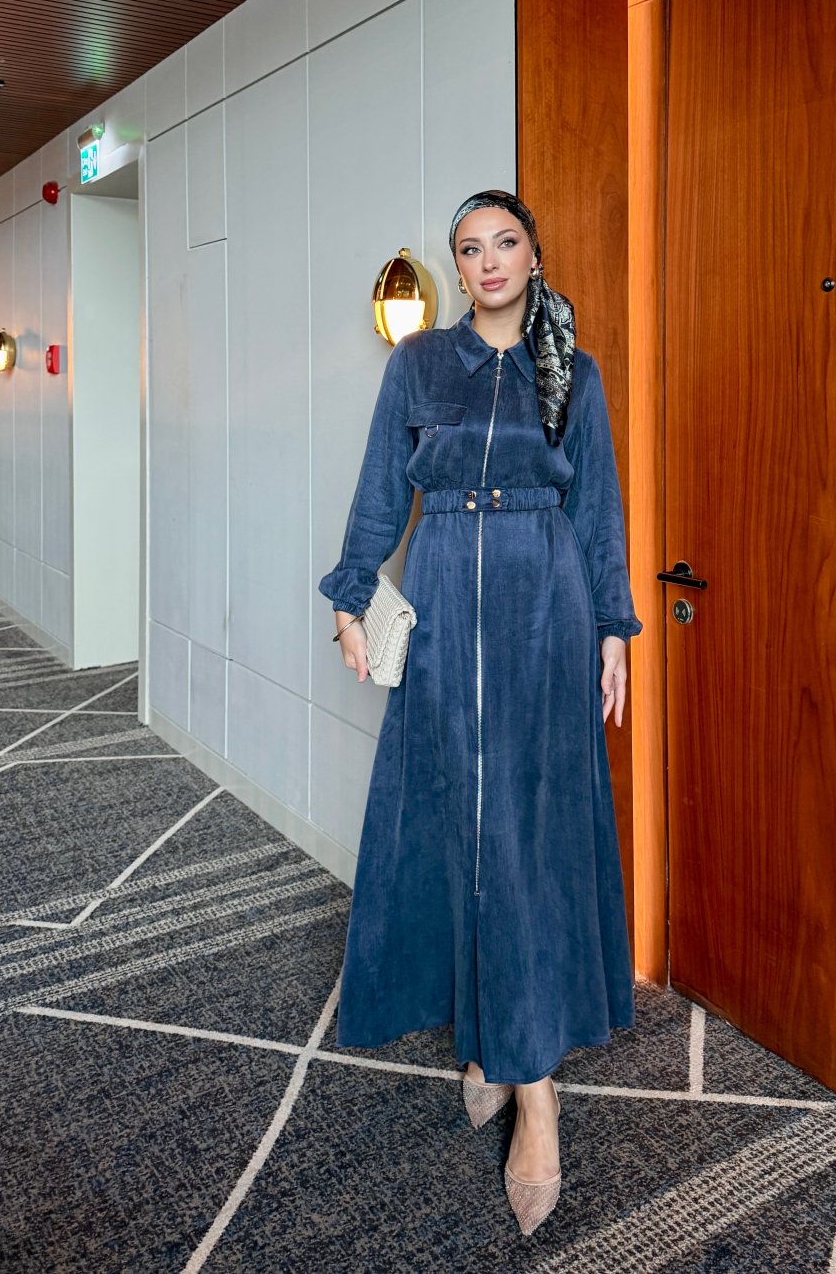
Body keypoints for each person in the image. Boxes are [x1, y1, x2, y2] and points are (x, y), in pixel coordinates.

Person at [318, 189, 641, 1236]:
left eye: (505, 242)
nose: (488, 260)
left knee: (525, 832)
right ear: (456, 269)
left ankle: (533, 1083)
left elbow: (598, 510)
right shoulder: (419, 365)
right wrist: (351, 595)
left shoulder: (575, 375)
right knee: (458, 820)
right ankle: (488, 1032)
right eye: (470, 248)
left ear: (534, 257)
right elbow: (382, 488)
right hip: (446, 598)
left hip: (544, 603)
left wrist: (612, 630)